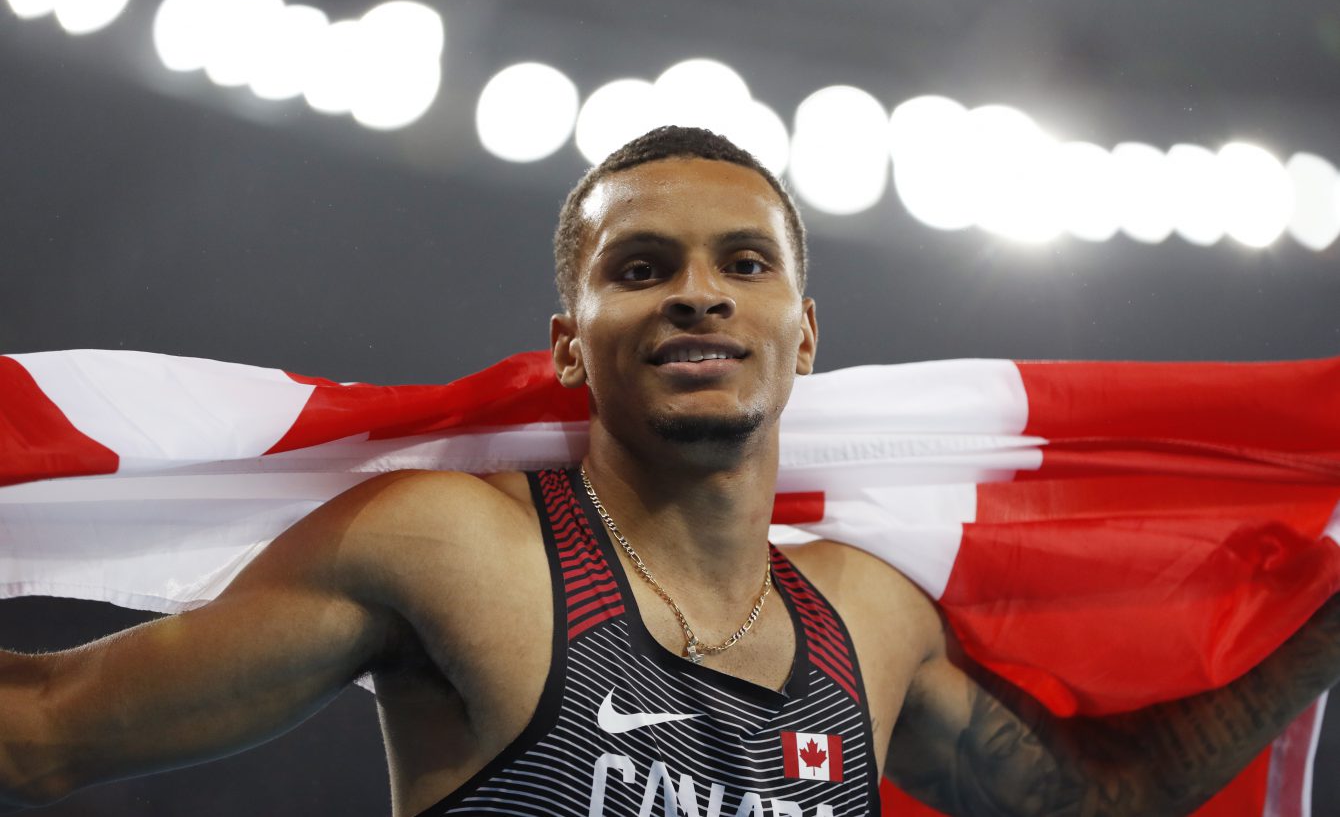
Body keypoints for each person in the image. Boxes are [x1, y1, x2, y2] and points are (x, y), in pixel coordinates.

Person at [1, 125, 1337, 817]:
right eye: (641, 269)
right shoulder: (452, 551)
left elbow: (1098, 799)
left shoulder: (870, 624)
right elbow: (52, 732)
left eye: (744, 264)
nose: (698, 296)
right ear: (569, 347)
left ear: (802, 334)